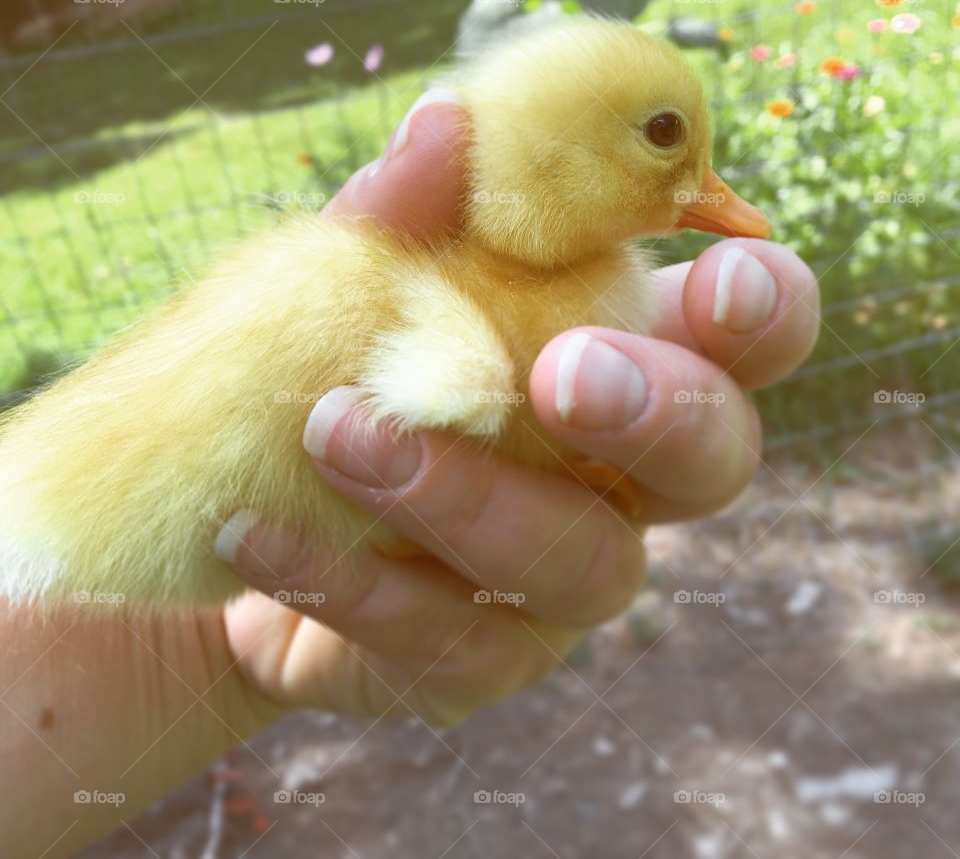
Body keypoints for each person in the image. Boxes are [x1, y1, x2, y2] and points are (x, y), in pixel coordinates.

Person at [0, 94, 819, 857]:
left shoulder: (406, 276)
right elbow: (432, 385)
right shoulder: (457, 333)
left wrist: (210, 660)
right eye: (667, 137)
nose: (718, 195)